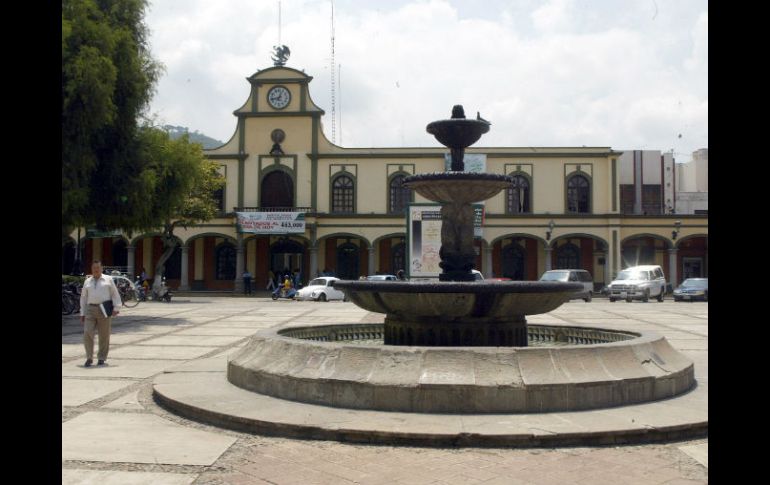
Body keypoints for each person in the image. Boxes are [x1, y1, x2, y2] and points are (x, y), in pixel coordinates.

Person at [79, 260, 122, 367]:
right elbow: (83, 297)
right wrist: (82, 312)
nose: (96, 270)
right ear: (91, 269)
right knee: (87, 332)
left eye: (98, 268)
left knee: (104, 335)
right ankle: (89, 357)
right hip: (90, 309)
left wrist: (116, 307)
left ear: (101, 268)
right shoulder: (87, 281)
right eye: (94, 268)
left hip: (104, 309)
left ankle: (101, 357)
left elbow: (114, 294)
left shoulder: (108, 279)